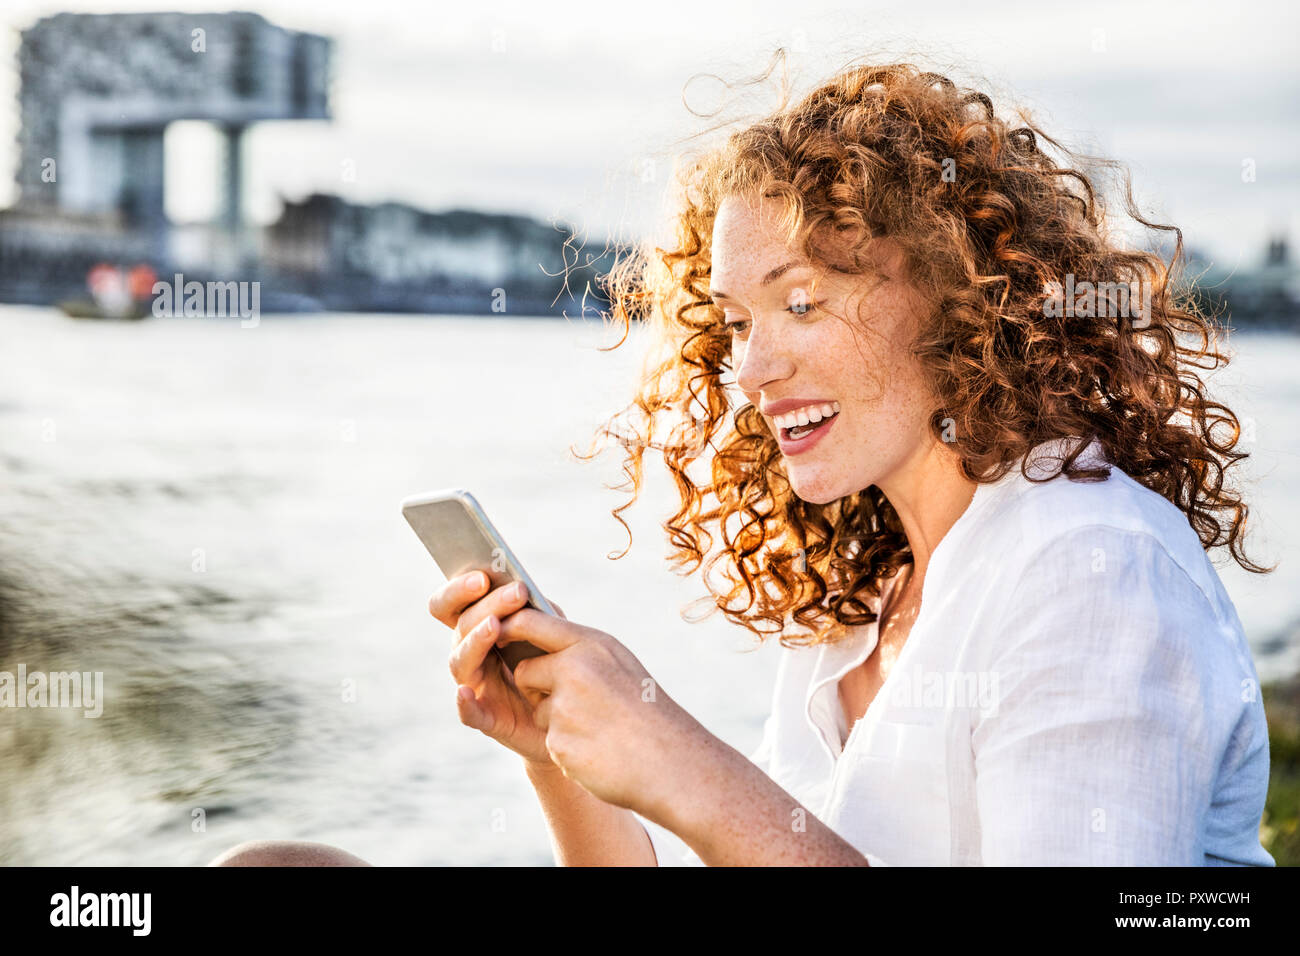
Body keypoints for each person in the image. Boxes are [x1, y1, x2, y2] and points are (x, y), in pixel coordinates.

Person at [210, 57, 1275, 867]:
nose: (751, 367)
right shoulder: (865, 598)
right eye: (734, 319)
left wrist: (687, 761)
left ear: (960, 297)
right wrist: (562, 755)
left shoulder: (1092, 569)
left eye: (802, 300)